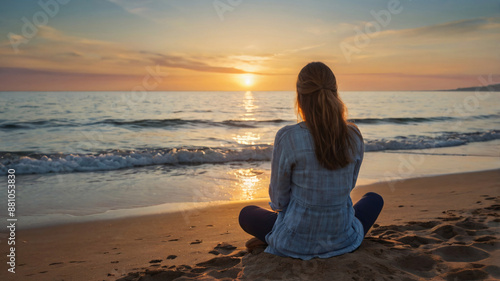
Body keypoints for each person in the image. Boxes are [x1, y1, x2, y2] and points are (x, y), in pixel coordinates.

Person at [238, 62, 384, 260]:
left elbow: (279, 202)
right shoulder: (353, 135)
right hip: (340, 237)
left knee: (247, 214)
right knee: (374, 199)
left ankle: (271, 238)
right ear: (335, 93)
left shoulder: (288, 137)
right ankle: (274, 235)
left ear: (300, 98)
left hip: (296, 241)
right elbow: (348, 186)